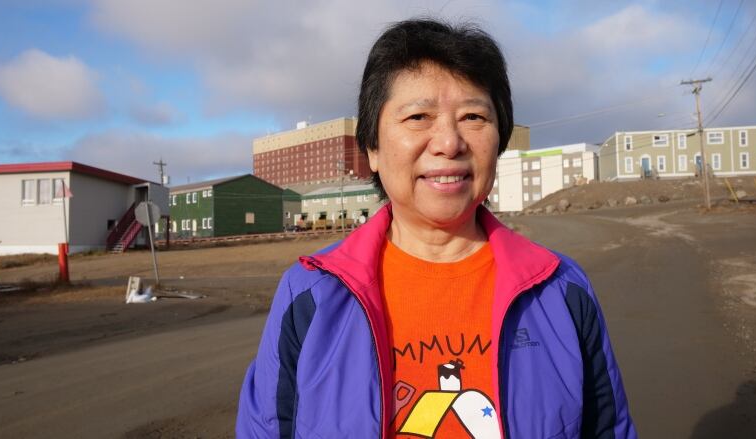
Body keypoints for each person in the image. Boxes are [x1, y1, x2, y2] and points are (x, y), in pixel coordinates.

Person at [236, 18, 636, 439]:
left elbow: (608, 429)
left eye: (473, 116)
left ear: (498, 143)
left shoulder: (562, 290)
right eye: (418, 116)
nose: (449, 141)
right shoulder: (310, 296)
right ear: (371, 147)